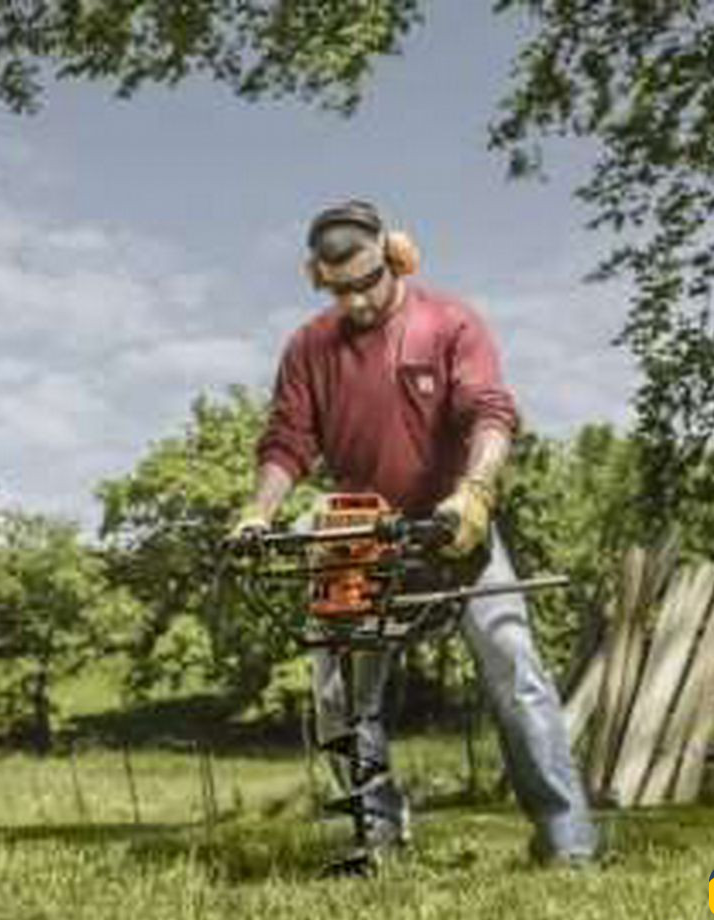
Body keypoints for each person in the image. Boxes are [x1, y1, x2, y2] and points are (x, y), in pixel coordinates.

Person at [230, 200, 596, 867]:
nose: (361, 301)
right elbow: (287, 442)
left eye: (370, 281)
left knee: (515, 667)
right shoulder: (309, 347)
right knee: (340, 695)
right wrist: (259, 511)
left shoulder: (449, 322)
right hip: (357, 531)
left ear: (396, 257)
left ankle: (567, 842)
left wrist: (476, 491)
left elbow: (489, 410)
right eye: (342, 289)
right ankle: (380, 840)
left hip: (452, 520)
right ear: (320, 280)